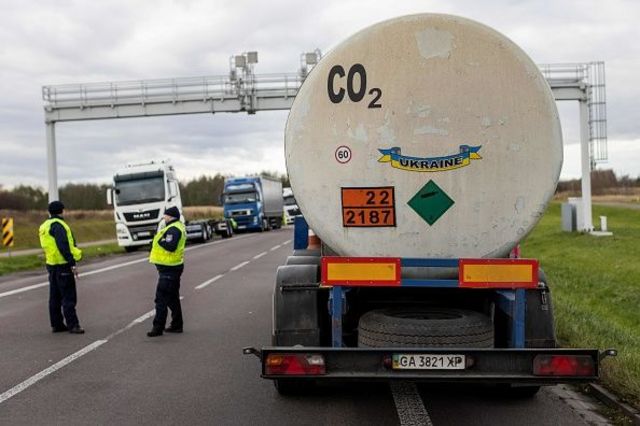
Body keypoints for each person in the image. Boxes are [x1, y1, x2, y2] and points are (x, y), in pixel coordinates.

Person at [38, 201, 85, 334]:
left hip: (51, 265)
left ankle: (57, 324)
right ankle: (73, 325)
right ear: (61, 211)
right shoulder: (58, 225)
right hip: (63, 265)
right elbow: (63, 245)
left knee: (55, 296)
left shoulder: (44, 226)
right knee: (68, 297)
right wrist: (72, 263)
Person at [147, 206, 186, 337]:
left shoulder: (173, 229)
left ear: (170, 216)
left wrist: (159, 240)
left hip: (169, 269)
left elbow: (170, 246)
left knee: (161, 299)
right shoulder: (175, 227)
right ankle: (177, 325)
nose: (164, 217)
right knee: (172, 298)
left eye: (165, 215)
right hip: (172, 267)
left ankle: (157, 328)